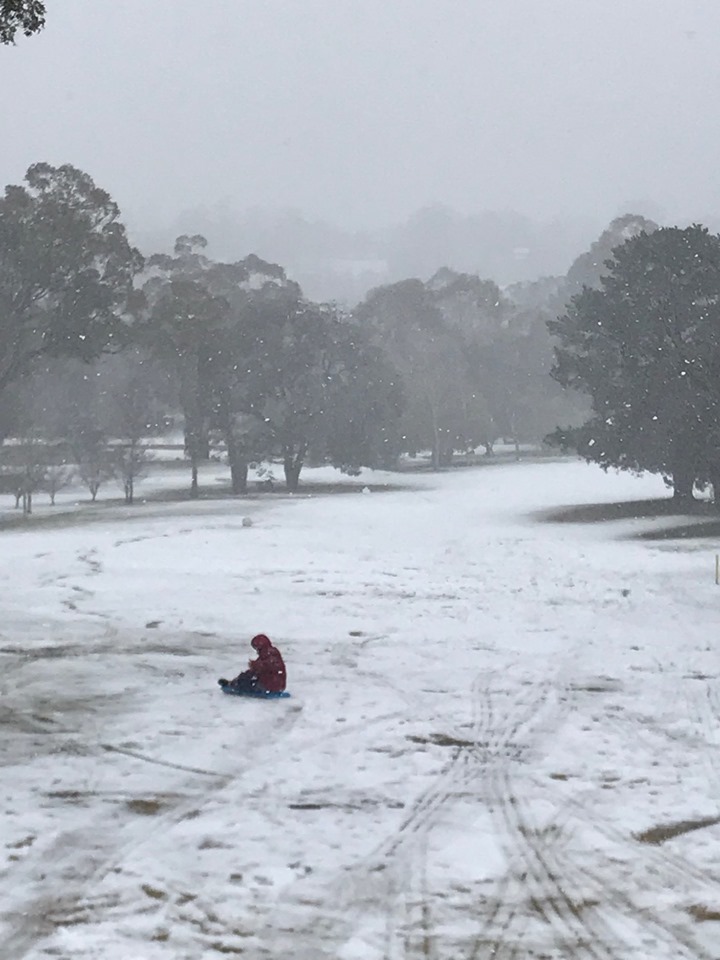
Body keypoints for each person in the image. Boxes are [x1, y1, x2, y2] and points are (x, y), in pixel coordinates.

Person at [218, 634, 287, 694]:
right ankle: (233, 683)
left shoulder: (269, 654)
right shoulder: (269, 653)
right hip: (276, 684)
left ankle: (234, 685)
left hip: (269, 685)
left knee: (247, 681)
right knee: (247, 676)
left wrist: (255, 666)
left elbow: (269, 666)